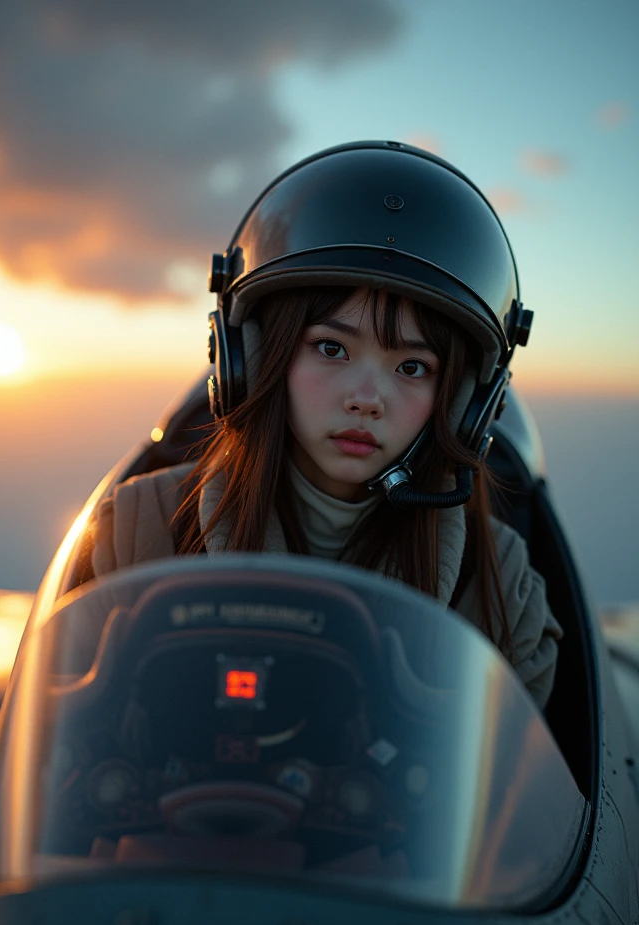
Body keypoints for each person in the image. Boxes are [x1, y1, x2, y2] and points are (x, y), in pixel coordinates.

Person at [92, 141, 562, 710]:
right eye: (331, 347)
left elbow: (522, 792)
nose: (366, 400)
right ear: (257, 359)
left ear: (463, 403)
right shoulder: (135, 537)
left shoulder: (503, 596)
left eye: (412, 367)